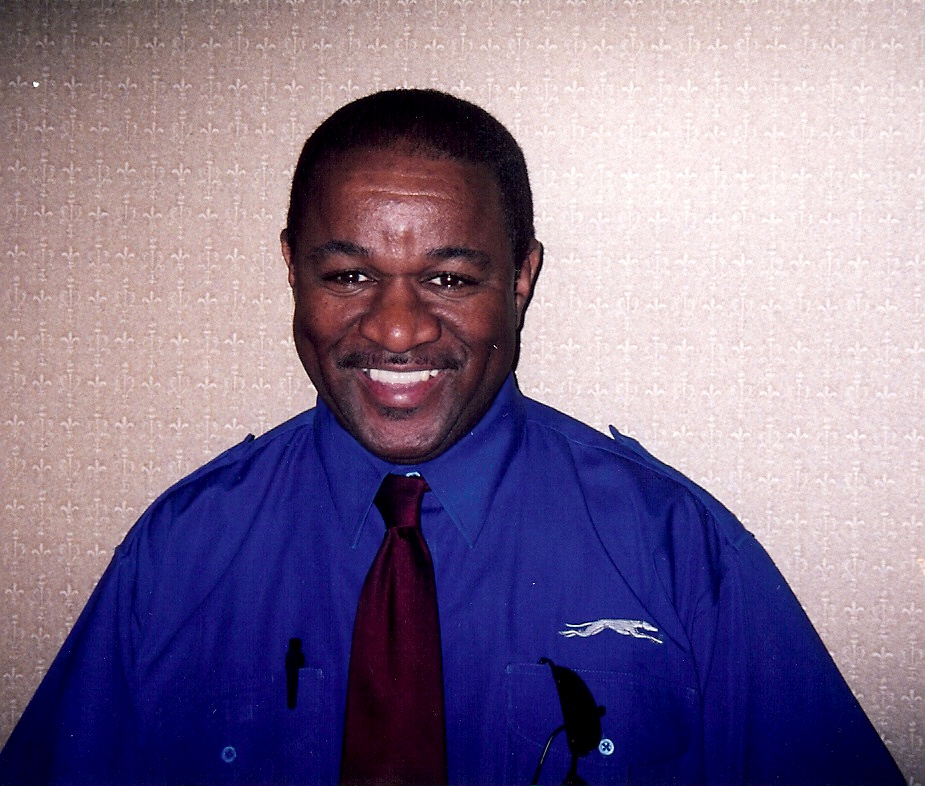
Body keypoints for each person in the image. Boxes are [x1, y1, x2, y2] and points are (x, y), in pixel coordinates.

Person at [0, 89, 904, 786]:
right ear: (292, 270)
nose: (396, 329)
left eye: (449, 279)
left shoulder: (673, 548)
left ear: (521, 278)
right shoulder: (182, 552)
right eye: (348, 275)